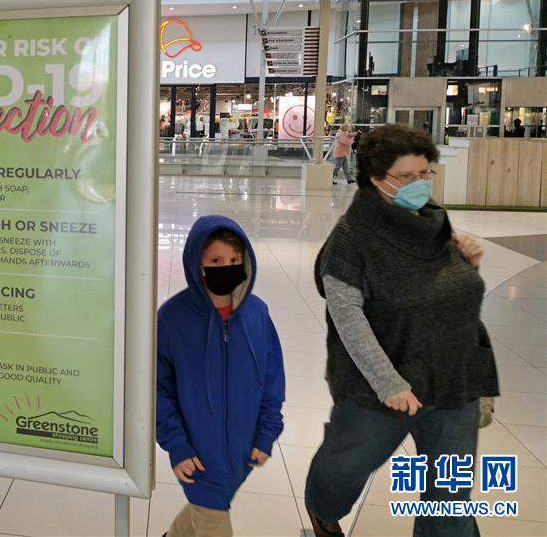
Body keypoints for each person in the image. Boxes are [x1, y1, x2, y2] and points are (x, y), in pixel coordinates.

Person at [304, 124, 499, 537]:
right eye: (406, 176)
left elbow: (444, 291)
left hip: (453, 383)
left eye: (425, 173)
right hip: (380, 389)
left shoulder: (434, 221)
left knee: (450, 503)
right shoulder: (350, 240)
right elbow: (348, 317)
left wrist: (468, 268)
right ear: (377, 179)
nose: (419, 183)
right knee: (343, 472)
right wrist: (388, 383)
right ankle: (322, 510)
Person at [157, 216, 285, 537]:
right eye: (215, 261)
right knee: (211, 511)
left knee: (204, 507)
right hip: (198, 453)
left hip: (243, 448)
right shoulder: (172, 319)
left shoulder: (257, 314)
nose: (226, 267)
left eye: (233, 260)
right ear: (197, 263)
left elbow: (272, 378)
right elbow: (157, 389)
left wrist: (266, 432)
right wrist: (177, 445)